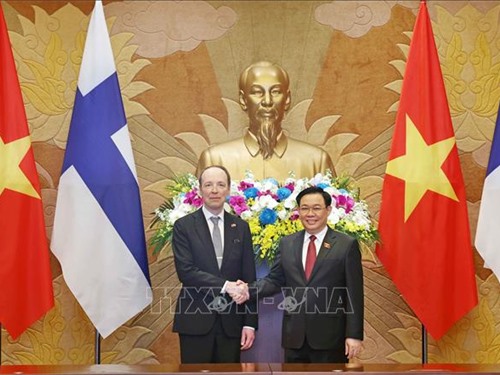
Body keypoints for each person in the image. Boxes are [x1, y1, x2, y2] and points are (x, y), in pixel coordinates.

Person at [231, 186, 364, 363]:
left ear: (328, 210)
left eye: (316, 208)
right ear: (298, 211)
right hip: (294, 336)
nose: (310, 213)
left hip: (331, 338)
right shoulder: (288, 243)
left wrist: (354, 335)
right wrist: (248, 289)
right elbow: (275, 280)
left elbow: (354, 294)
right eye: (304, 208)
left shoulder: (346, 245)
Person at [171, 165, 257, 363]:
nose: (214, 190)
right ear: (200, 189)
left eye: (220, 184)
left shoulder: (241, 227)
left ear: (228, 189)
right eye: (208, 185)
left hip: (232, 322)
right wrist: (227, 286)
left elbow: (249, 279)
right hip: (195, 320)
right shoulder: (183, 226)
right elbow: (186, 272)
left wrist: (250, 324)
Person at [196, 61, 335, 181]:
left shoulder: (316, 161)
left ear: (287, 99)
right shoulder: (214, 160)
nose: (267, 101)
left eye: (275, 92)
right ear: (243, 100)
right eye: (257, 92)